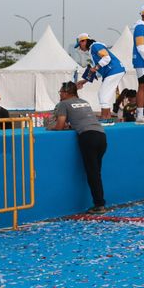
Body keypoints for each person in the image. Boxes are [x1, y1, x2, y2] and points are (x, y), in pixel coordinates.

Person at [47, 81, 108, 214]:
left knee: (92, 173)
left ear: (67, 93)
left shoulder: (64, 104)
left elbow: (60, 125)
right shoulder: (84, 102)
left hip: (88, 136)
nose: (60, 94)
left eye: (61, 92)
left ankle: (99, 205)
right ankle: (100, 202)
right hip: (101, 135)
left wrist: (51, 128)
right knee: (96, 172)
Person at [75, 33, 126, 126]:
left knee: (103, 94)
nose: (80, 48)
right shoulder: (93, 50)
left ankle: (105, 118)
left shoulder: (95, 46)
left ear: (84, 41)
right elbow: (98, 72)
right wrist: (84, 81)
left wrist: (96, 67)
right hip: (114, 71)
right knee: (104, 95)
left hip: (114, 70)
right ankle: (108, 118)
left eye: (79, 45)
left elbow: (107, 58)